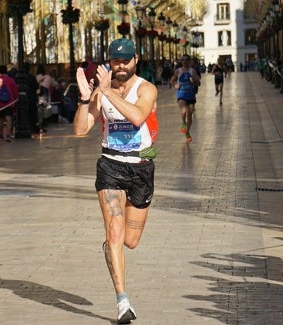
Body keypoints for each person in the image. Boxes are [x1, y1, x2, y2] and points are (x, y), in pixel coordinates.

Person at [74, 38, 158, 324]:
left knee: (130, 241)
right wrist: (87, 99)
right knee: (114, 232)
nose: (120, 66)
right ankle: (123, 301)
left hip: (141, 168)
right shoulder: (102, 92)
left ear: (136, 59)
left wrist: (107, 92)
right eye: (114, 61)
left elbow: (137, 117)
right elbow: (81, 129)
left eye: (125, 61)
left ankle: (113, 248)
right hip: (110, 164)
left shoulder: (146, 88)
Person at [170, 54, 200, 142]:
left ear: (189, 61)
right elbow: (172, 80)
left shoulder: (192, 71)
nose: (185, 61)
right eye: (183, 60)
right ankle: (183, 122)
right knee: (183, 111)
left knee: (190, 115)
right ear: (181, 61)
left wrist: (194, 81)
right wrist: (175, 85)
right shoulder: (178, 71)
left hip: (191, 95)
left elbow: (198, 83)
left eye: (187, 60)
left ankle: (187, 132)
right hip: (181, 95)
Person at [0, 65, 18, 142]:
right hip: (9, 102)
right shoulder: (11, 80)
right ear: (6, 71)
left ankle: (1, 134)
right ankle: (8, 134)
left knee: (0, 118)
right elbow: (15, 91)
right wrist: (16, 99)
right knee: (8, 117)